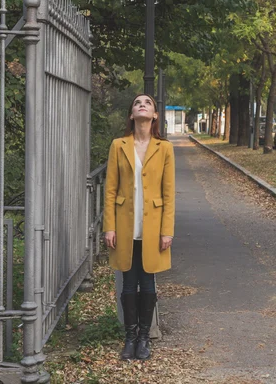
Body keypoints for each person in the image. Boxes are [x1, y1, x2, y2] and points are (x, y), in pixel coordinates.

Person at [103, 94, 176, 360]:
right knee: (127, 284)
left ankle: (144, 338)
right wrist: (108, 226)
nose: (142, 104)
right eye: (137, 103)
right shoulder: (118, 145)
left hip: (153, 226)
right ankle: (129, 338)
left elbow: (169, 193)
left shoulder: (164, 148)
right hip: (124, 225)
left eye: (147, 103)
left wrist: (167, 230)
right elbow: (110, 190)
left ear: (154, 115)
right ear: (132, 115)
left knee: (147, 284)